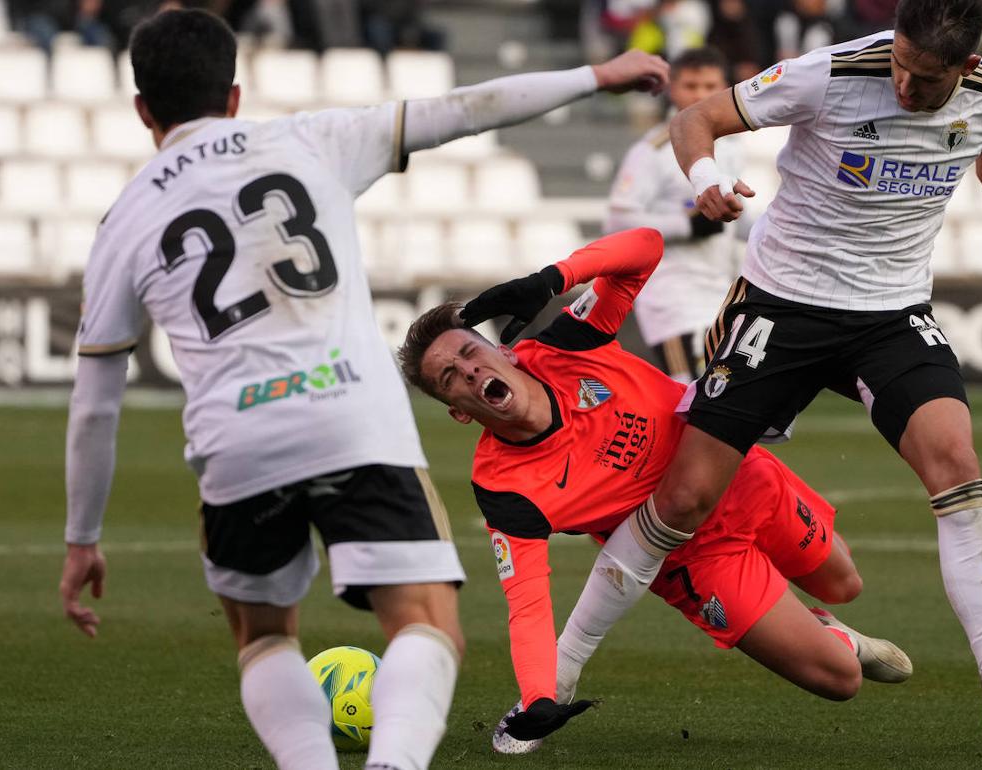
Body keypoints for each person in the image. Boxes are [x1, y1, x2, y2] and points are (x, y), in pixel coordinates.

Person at [461, 0, 982, 750]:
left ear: (963, 68)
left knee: (956, 465)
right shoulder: (829, 73)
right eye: (896, 64)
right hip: (782, 306)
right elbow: (693, 119)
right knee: (684, 499)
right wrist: (703, 178)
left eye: (923, 81)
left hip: (891, 313)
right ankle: (556, 684)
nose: (901, 87)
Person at [55, 9, 669, 770]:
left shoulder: (125, 219)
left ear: (143, 109)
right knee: (426, 626)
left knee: (267, 638)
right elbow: (466, 110)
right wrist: (595, 76)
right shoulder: (309, 140)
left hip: (238, 443)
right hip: (352, 420)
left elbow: (94, 404)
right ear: (236, 94)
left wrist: (82, 538)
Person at [400, 229, 912, 753]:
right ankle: (835, 638)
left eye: (470, 352)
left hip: (742, 479)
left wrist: (552, 278)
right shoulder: (505, 487)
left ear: (503, 352)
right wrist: (539, 695)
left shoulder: (566, 345)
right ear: (459, 411)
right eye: (450, 378)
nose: (469, 370)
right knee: (840, 679)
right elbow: (527, 603)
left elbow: (645, 247)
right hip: (691, 557)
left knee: (843, 583)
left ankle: (821, 617)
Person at [604, 48, 745, 382]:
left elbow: (740, 222)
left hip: (719, 293)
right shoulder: (653, 151)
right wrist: (687, 224)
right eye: (691, 85)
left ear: (724, 87)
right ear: (673, 88)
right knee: (689, 399)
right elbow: (617, 221)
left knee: (721, 406)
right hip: (674, 298)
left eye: (709, 86)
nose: (700, 95)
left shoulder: (728, 147)